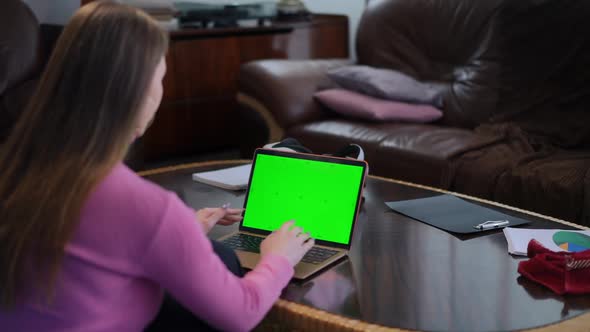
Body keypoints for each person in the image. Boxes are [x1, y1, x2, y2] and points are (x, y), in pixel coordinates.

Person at [0, 2, 314, 331]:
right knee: (223, 260)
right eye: (161, 77)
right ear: (137, 91)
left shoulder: (15, 169)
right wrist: (279, 257)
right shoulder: (147, 208)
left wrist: (178, 235)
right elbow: (241, 313)